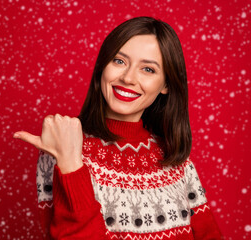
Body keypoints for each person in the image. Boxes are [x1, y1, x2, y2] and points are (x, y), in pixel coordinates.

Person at [14, 16, 223, 239]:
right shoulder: (61, 147)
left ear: (166, 85)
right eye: (119, 61)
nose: (128, 78)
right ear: (103, 66)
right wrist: (72, 166)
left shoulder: (177, 160)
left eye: (148, 70)